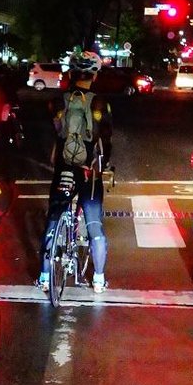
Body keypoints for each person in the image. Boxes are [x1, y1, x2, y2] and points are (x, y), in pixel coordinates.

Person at [38, 49, 113, 293]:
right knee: (94, 225)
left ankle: (44, 276)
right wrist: (103, 164)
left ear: (71, 73)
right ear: (95, 76)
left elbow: (53, 132)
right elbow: (107, 140)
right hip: (89, 171)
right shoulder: (100, 104)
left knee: (53, 218)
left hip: (64, 168)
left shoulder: (57, 102)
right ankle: (99, 280)